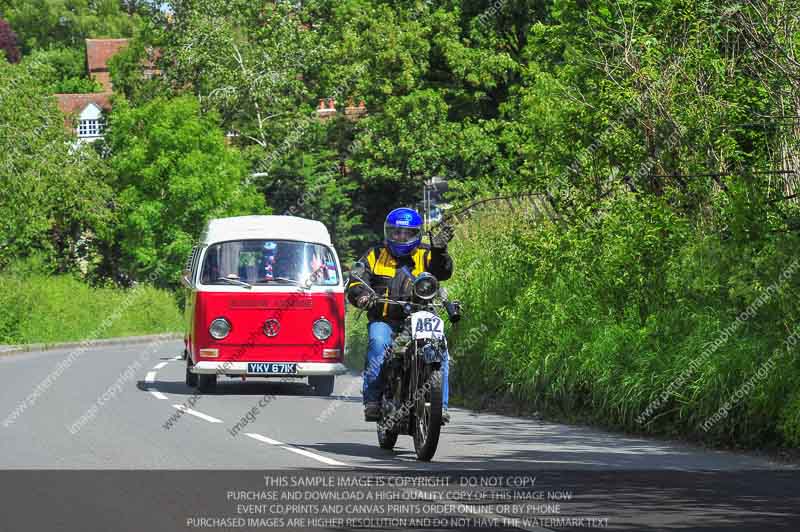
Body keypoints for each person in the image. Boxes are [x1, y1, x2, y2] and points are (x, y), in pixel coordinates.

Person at [346, 207, 454, 423]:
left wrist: (440, 251)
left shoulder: (427, 253)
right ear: (388, 232)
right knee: (378, 342)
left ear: (416, 234)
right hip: (385, 319)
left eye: (407, 233)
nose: (401, 237)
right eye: (396, 232)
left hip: (421, 316)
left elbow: (442, 272)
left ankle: (439, 407)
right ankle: (373, 400)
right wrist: (362, 296)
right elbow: (356, 281)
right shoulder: (375, 254)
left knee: (440, 349)